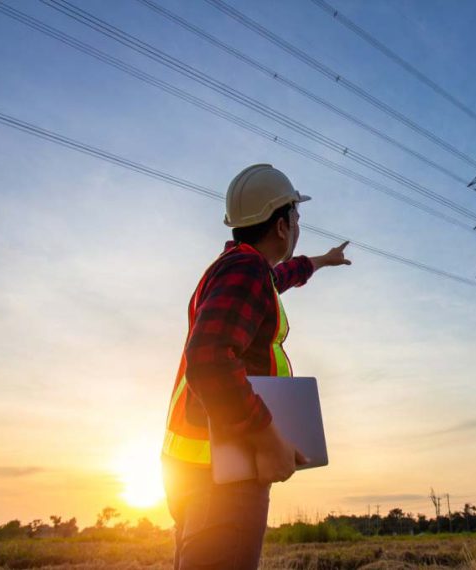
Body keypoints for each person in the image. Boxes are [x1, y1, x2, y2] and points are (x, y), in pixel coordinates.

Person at [161, 164, 351, 569]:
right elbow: (209, 360)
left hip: (201, 465)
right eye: (297, 217)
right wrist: (268, 437)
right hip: (225, 469)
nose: (299, 225)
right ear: (282, 225)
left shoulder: (241, 268)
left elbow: (279, 277)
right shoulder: (246, 270)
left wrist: (322, 261)